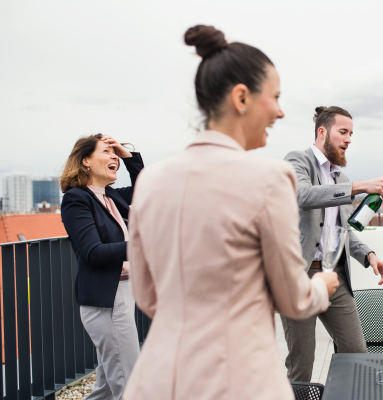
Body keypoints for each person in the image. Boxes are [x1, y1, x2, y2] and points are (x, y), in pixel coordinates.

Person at [123, 25, 339, 400]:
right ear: (242, 97)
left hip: (155, 381)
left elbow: (147, 296)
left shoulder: (151, 181)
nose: (281, 111)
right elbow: (295, 300)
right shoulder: (270, 178)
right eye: (274, 97)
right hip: (237, 381)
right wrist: (323, 285)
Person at [281, 106, 383, 382]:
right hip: (300, 277)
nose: (349, 139)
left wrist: (369, 255)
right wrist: (359, 187)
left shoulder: (339, 177)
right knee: (302, 365)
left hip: (336, 277)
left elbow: (343, 230)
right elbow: (304, 195)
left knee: (356, 351)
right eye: (343, 132)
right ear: (322, 132)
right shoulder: (298, 160)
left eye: (351, 134)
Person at [60, 134, 143, 400]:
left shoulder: (111, 196)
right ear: (85, 160)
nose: (114, 157)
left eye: (114, 153)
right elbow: (93, 253)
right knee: (128, 384)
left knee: (107, 387)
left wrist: (127, 155)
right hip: (106, 300)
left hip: (124, 292)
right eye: (106, 152)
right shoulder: (76, 199)